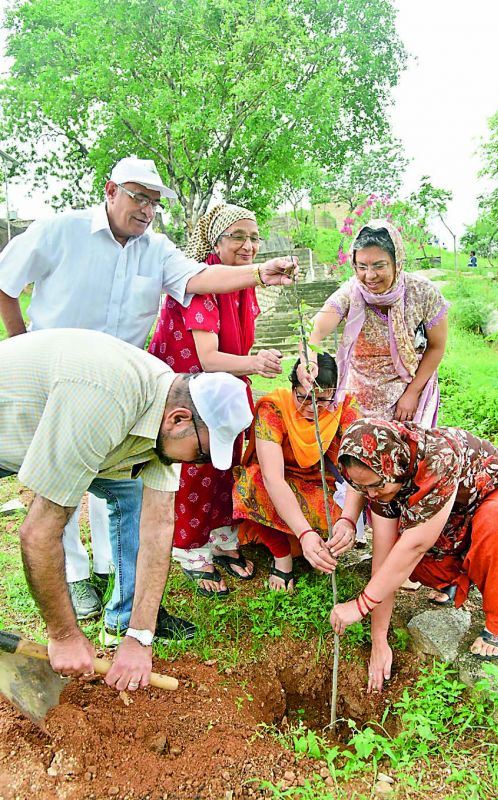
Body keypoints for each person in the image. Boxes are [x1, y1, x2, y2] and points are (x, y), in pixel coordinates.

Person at [0, 156, 297, 621]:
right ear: (110, 189)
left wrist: (261, 272)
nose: (146, 210)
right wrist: (21, 342)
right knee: (55, 486)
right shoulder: (60, 231)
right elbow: (5, 281)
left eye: (154, 203)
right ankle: (76, 576)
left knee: (120, 483)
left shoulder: (155, 249)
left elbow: (200, 278)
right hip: (55, 381)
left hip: (125, 387)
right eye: (139, 196)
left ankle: (113, 579)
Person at [0, 328, 253, 691]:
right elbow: (39, 533)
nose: (199, 463)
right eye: (201, 452)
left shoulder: (166, 410)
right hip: (11, 424)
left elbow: (158, 525)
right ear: (179, 419)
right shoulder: (104, 402)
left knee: (135, 498)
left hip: (44, 432)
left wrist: (139, 638)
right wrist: (65, 635)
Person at [330, 419, 498, 692]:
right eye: (363, 488)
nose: (371, 495)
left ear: (392, 465)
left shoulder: (438, 457)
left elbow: (415, 546)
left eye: (375, 486)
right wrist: (379, 641)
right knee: (405, 559)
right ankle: (457, 578)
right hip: (454, 517)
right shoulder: (381, 475)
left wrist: (360, 606)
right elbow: (385, 558)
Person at [149, 204, 282, 596]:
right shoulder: (200, 284)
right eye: (237, 236)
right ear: (215, 240)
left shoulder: (243, 283)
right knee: (196, 462)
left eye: (254, 238)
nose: (248, 246)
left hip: (225, 385)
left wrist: (247, 366)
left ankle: (222, 536)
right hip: (191, 390)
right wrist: (255, 363)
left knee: (230, 459)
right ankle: (189, 547)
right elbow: (208, 358)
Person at [297, 219, 449, 425]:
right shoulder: (351, 293)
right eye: (362, 266)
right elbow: (311, 331)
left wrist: (413, 393)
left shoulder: (423, 292)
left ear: (397, 262)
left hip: (408, 390)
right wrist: (309, 360)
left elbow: (437, 346)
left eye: (379, 266)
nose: (369, 276)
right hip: (360, 393)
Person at [233, 353, 363, 591]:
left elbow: (359, 471)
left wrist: (349, 520)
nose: (310, 408)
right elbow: (272, 478)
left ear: (334, 392)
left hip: (323, 488)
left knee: (342, 517)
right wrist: (304, 533)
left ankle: (311, 545)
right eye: (302, 397)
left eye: (322, 400)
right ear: (292, 386)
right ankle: (283, 556)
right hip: (280, 486)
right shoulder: (274, 409)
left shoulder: (345, 408)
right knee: (251, 484)